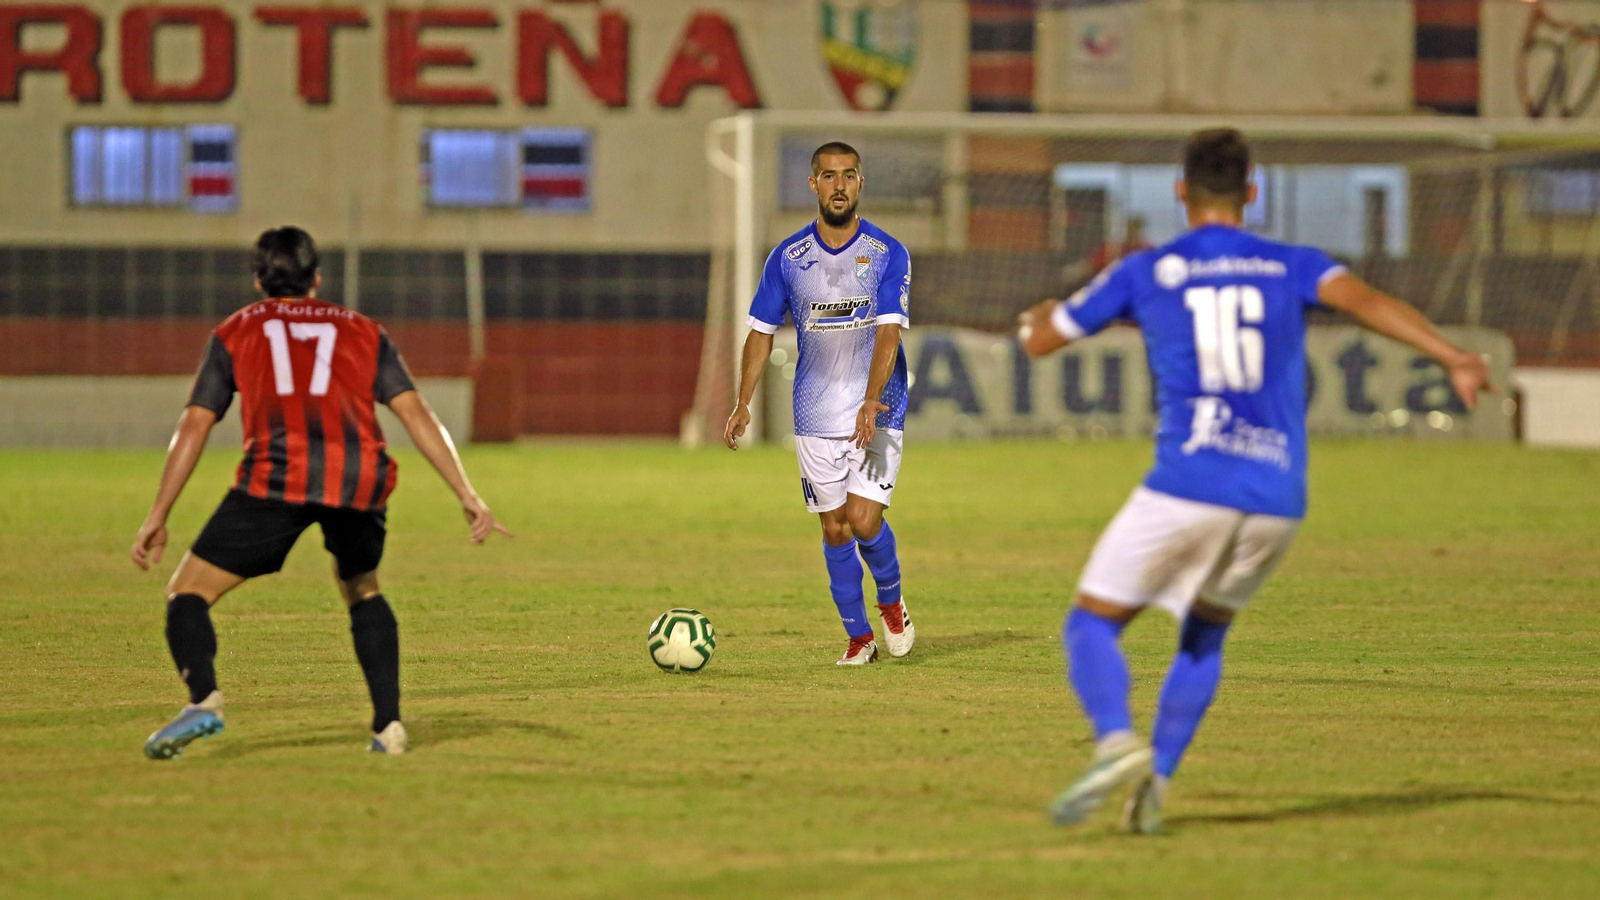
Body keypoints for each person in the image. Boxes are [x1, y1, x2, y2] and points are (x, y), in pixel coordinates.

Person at [1016, 129, 1492, 833]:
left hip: (1189, 482)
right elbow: (1366, 301)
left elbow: (1041, 340)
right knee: (1204, 636)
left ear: (1181, 191)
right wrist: (1453, 356)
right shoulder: (1293, 264)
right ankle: (1156, 785)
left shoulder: (1145, 269)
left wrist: (1036, 319)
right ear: (1252, 191)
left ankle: (1116, 742)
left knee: (1092, 624)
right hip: (1276, 496)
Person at [131, 226, 510, 759]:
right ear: (317, 278)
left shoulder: (236, 331)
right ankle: (389, 728)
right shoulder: (362, 330)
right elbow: (414, 411)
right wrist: (467, 493)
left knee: (187, 593)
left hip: (277, 477)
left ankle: (205, 700)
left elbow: (195, 423)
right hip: (359, 478)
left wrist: (158, 513)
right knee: (363, 588)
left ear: (259, 280)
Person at [723, 141, 916, 666]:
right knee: (834, 528)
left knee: (864, 520)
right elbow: (760, 332)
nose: (839, 185)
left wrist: (870, 399)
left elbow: (889, 333)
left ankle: (891, 603)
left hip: (879, 407)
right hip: (814, 410)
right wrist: (742, 403)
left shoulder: (887, 252)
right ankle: (859, 638)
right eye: (829, 176)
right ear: (813, 184)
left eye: (848, 175)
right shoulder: (788, 259)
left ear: (860, 183)